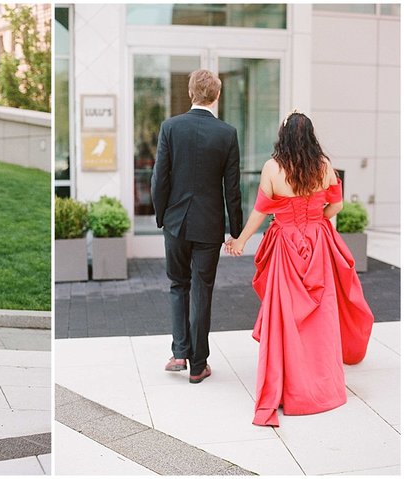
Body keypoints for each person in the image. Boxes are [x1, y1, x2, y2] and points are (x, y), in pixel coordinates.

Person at [225, 111, 374, 427]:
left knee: (287, 318)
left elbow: (259, 212)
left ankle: (290, 385)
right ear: (310, 137)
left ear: (284, 136)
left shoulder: (272, 168)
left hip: (286, 244)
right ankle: (324, 388)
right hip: (317, 242)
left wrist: (239, 240)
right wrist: (318, 217)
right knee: (321, 318)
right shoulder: (324, 166)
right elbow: (337, 205)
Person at [151, 69, 243, 384]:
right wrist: (236, 230)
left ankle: (179, 351)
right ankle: (198, 364)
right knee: (202, 290)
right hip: (209, 225)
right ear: (217, 96)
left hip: (176, 223)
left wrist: (162, 216)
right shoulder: (227, 134)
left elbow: (159, 178)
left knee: (178, 284)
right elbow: (233, 188)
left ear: (191, 93)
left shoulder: (170, 128)